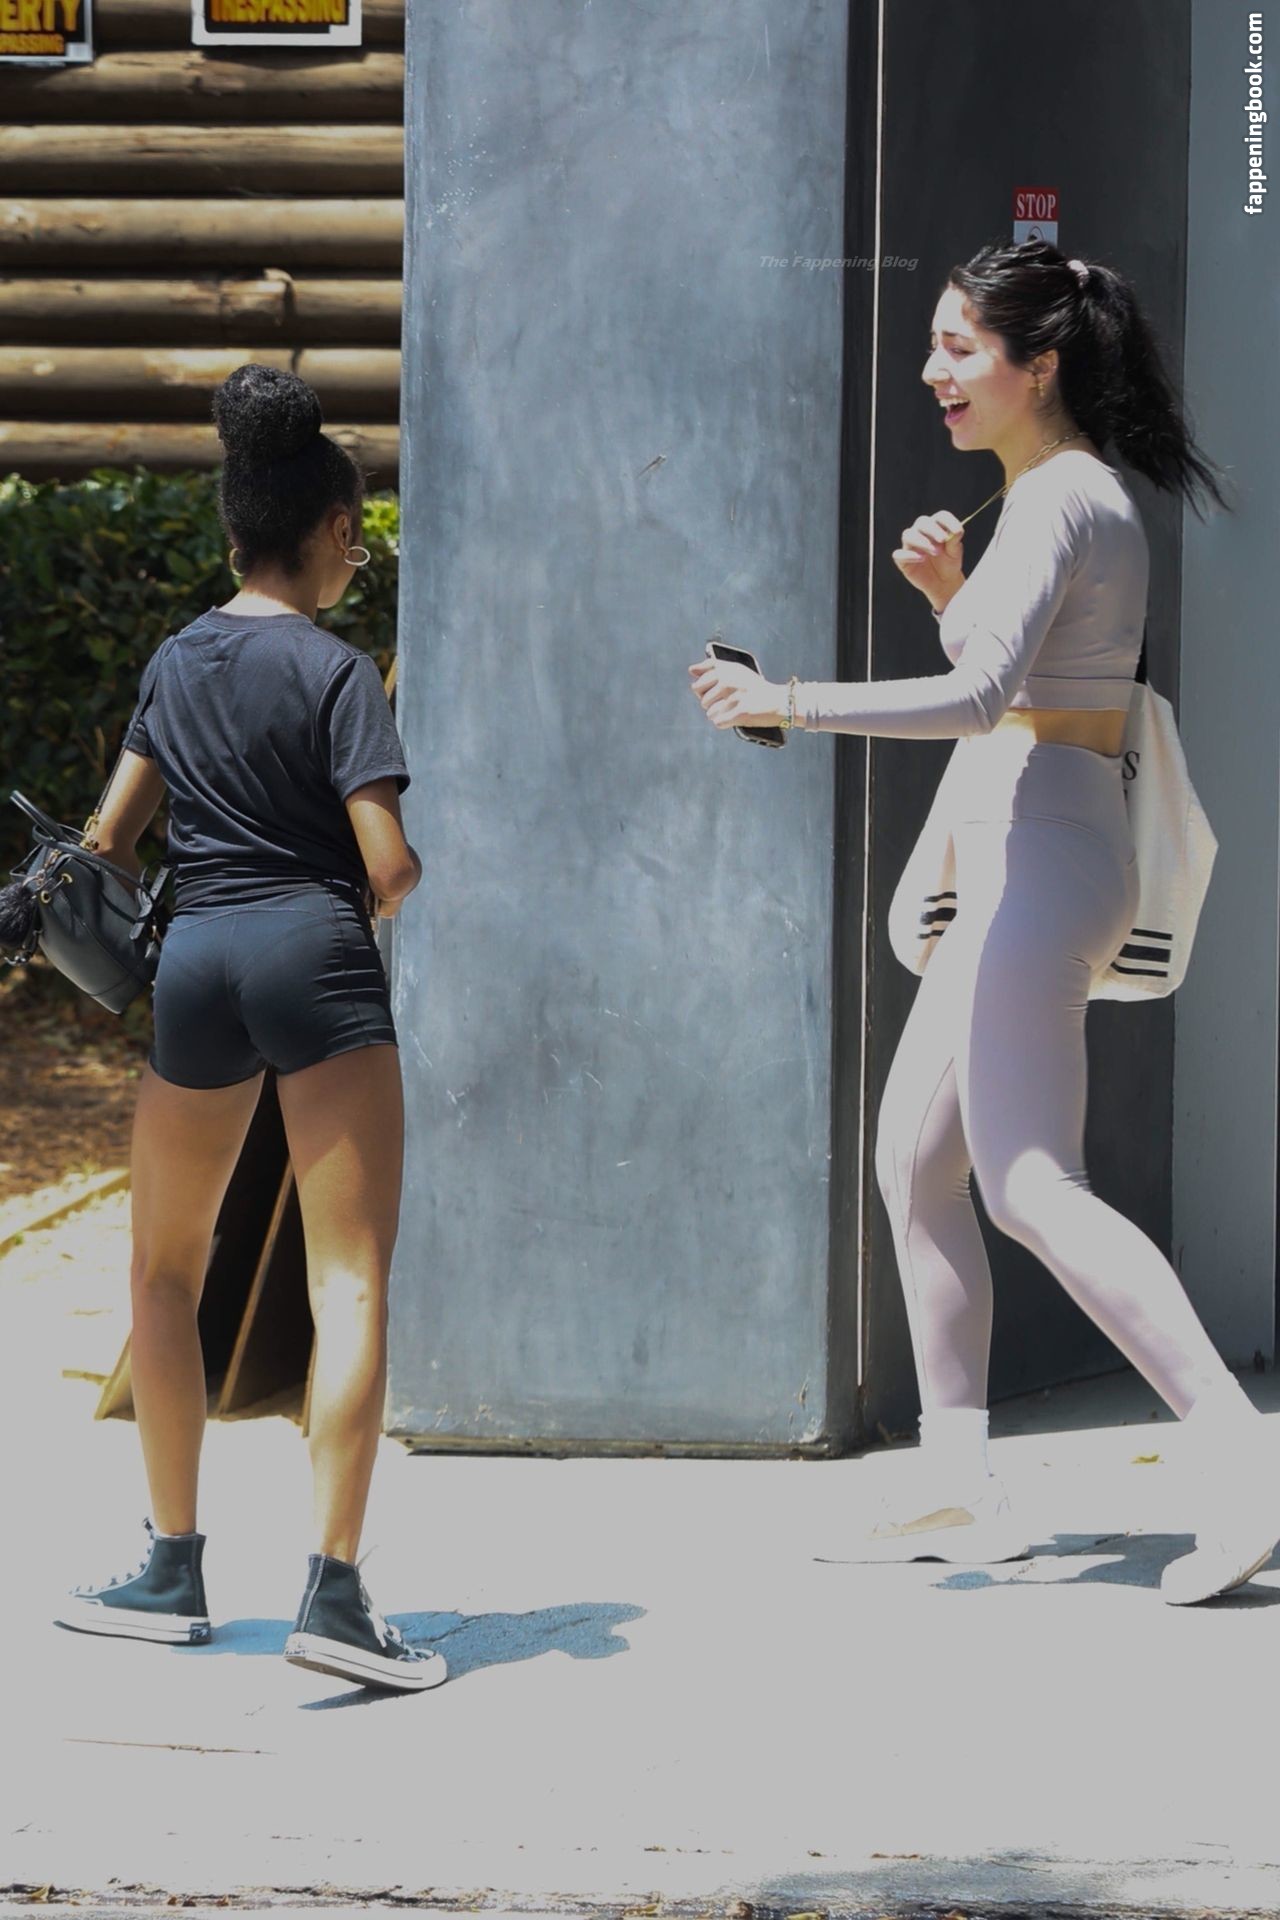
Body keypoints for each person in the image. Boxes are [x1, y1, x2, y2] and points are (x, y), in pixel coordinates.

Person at [689, 238, 1276, 1606]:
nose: (933, 371)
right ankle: (962, 1483)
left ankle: (1242, 1459)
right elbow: (1033, 682)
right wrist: (957, 601)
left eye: (960, 347)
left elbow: (977, 703)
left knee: (1028, 1184)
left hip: (1040, 857)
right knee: (916, 1162)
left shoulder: (1064, 497)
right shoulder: (1061, 497)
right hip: (1038, 847)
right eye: (936, 346)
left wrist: (786, 700)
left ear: (1040, 364)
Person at [52, 365, 446, 1690]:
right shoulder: (336, 674)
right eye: (354, 540)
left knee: (164, 1271)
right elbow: (387, 865)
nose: (353, 558)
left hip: (197, 966)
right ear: (332, 530)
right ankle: (334, 1597)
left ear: (232, 534)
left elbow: (110, 840)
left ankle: (170, 1571)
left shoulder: (176, 660)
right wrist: (380, 886)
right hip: (312, 958)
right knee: (351, 1283)